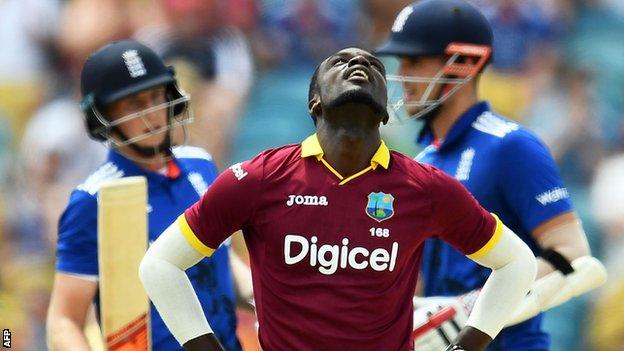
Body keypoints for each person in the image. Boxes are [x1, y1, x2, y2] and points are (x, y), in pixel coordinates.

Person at [139, 47, 537, 351]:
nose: (358, 63)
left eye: (374, 68)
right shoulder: (257, 179)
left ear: (384, 111)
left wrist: (468, 345)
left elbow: (517, 263)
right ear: (314, 102)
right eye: (339, 63)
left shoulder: (426, 188)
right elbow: (159, 264)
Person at [376, 1, 605, 350]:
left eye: (415, 61)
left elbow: (572, 254)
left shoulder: (510, 146)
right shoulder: (425, 159)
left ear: (465, 64)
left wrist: (471, 308)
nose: (403, 74)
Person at [46, 40, 244, 351]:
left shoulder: (201, 164)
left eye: (155, 97)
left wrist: (263, 299)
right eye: (133, 105)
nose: (152, 115)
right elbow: (64, 321)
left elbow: (220, 258)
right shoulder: (94, 200)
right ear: (101, 116)